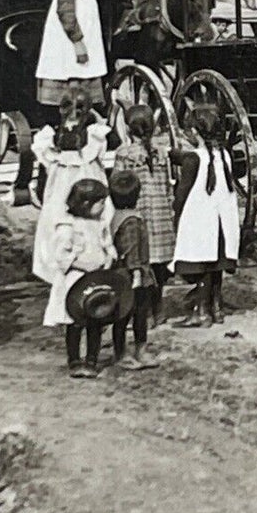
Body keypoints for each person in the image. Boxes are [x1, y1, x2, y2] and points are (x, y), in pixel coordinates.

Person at [169, 102, 240, 327]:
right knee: (216, 264)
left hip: (201, 221)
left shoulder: (194, 159)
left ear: (195, 133)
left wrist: (177, 212)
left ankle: (201, 312)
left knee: (202, 266)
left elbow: (182, 193)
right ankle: (216, 308)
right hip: (222, 222)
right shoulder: (224, 156)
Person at [31, 90, 110, 287]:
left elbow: (45, 165)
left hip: (64, 178)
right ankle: (85, 258)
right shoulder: (92, 133)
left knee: (61, 214)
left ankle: (66, 261)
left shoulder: (59, 133)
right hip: (81, 174)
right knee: (81, 215)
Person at [43, 177, 117, 378]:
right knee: (75, 321)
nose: (103, 207)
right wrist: (83, 265)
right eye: (100, 203)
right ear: (85, 204)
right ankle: (74, 360)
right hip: (75, 280)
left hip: (97, 278)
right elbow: (60, 255)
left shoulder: (99, 224)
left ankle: (92, 359)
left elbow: (107, 244)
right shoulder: (68, 226)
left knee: (96, 319)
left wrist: (109, 258)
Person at [113, 104, 176, 321]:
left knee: (139, 264)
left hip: (139, 215)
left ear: (129, 130)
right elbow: (168, 186)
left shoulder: (125, 154)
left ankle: (142, 311)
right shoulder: (161, 153)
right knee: (159, 266)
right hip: (162, 215)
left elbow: (118, 184)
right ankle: (158, 309)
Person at [107, 169, 159, 370]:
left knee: (122, 316)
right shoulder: (132, 221)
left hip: (120, 274)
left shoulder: (115, 217)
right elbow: (131, 249)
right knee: (135, 313)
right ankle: (134, 350)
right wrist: (136, 273)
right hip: (133, 275)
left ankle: (126, 351)